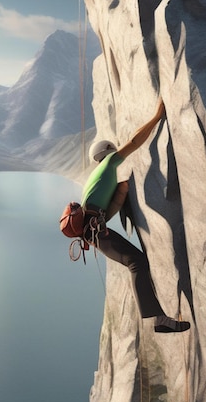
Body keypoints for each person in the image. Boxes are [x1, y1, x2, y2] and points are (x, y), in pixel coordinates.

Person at [80, 98, 190, 333]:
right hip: (95, 229)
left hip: (93, 230)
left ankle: (160, 319)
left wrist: (120, 193)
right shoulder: (109, 163)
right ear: (107, 151)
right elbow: (134, 142)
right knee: (136, 262)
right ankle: (160, 321)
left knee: (136, 262)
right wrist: (157, 116)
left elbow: (103, 211)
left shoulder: (98, 175)